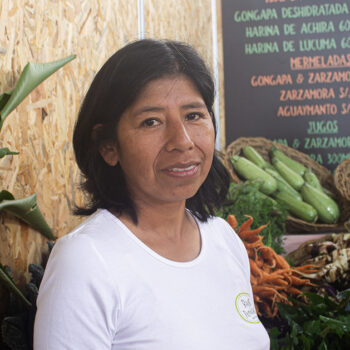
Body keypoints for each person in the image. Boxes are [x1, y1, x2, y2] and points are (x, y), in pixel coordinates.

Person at [34, 39, 270, 349]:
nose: (182, 141)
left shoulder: (223, 240)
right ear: (108, 146)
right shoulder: (86, 261)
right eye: (151, 122)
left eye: (194, 115)